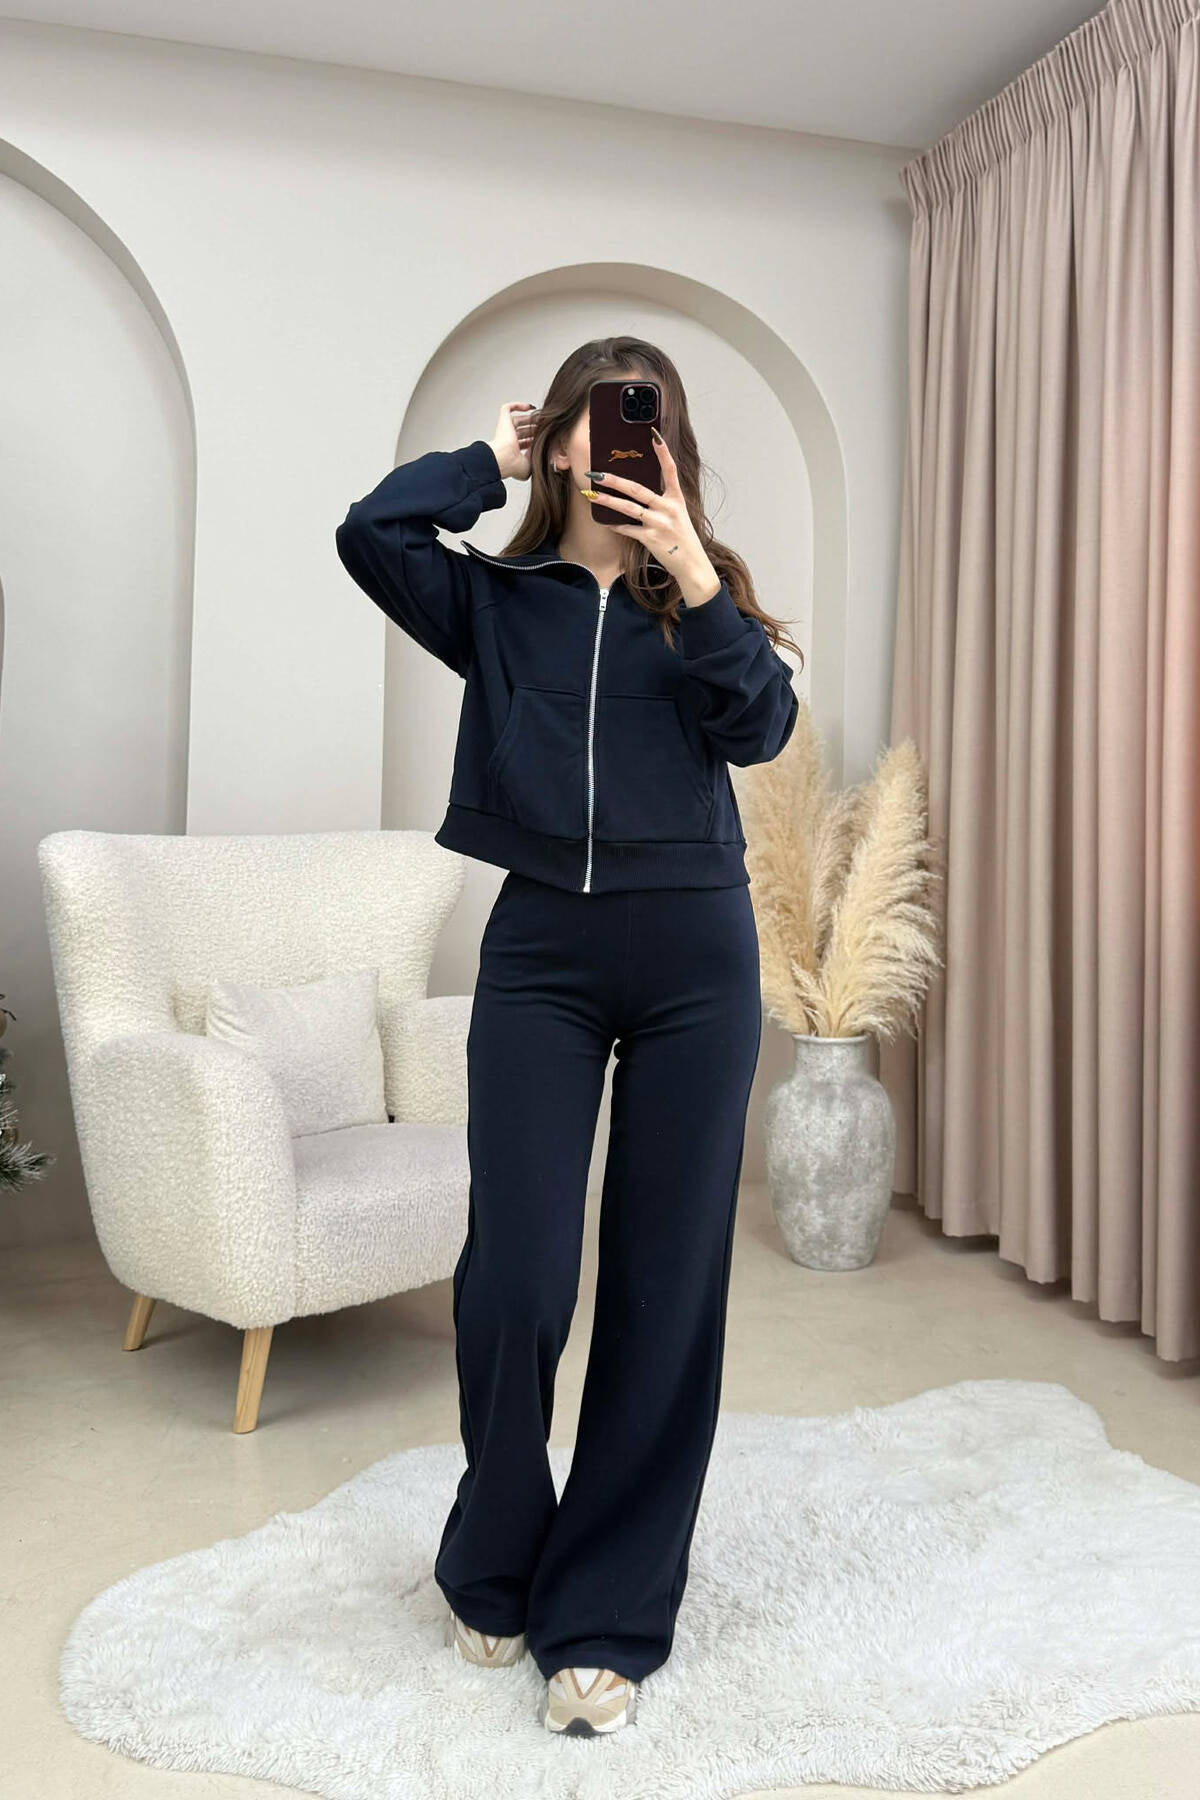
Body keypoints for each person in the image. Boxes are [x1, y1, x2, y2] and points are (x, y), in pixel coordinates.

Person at [335, 336, 802, 1737]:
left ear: (672, 450)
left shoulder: (703, 603)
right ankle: (494, 1555)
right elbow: (371, 534)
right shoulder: (498, 599)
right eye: (592, 432)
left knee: (666, 1283)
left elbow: (763, 729)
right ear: (560, 446)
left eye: (640, 433)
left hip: (696, 958)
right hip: (541, 950)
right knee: (519, 1275)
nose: (618, 456)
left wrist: (697, 574)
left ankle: (605, 1615)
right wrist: (485, 464)